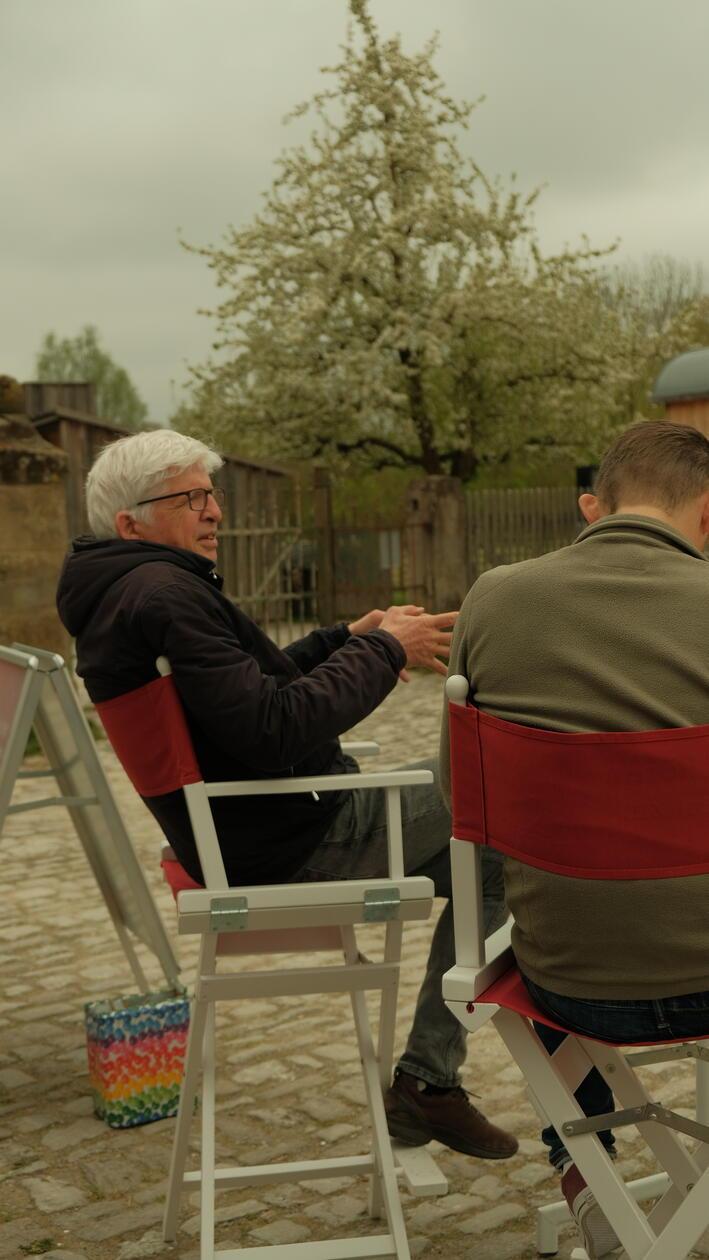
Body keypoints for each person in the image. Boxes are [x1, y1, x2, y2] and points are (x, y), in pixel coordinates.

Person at [56, 427, 517, 1162]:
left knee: (485, 839)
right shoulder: (164, 593)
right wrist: (383, 649)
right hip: (296, 837)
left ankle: (430, 1083)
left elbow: (245, 694)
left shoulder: (129, 592)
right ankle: (437, 1078)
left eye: (212, 494)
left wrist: (341, 638)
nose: (213, 512)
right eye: (190, 498)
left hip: (260, 827)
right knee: (504, 804)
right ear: (129, 522)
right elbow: (275, 727)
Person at [440, 419, 709, 1257]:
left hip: (568, 983)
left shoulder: (494, 596)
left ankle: (585, 1177)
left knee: (557, 903)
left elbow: (459, 794)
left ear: (600, 502)